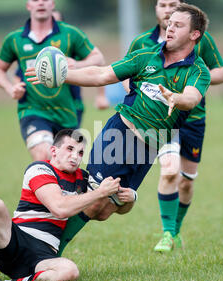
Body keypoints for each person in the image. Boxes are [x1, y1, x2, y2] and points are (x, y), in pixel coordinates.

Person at [27, 3, 211, 255]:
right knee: (95, 201)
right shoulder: (145, 56)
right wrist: (63, 75)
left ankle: (69, 196)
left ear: (194, 35)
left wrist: (176, 99)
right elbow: (101, 74)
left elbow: (191, 98)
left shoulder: (198, 70)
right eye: (169, 24)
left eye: (178, 25)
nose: (169, 28)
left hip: (151, 147)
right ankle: (46, 251)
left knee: (107, 209)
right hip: (120, 134)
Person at [0, 129, 125, 281]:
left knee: (70, 271)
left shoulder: (82, 179)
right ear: (53, 151)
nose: (75, 156)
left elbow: (111, 210)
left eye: (80, 152)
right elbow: (59, 208)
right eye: (69, 149)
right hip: (13, 241)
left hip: (43, 254)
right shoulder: (39, 169)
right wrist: (100, 192)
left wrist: (131, 197)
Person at [126, 0, 223, 252]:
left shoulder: (200, 40)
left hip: (192, 117)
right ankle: (167, 234)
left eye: (173, 4)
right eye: (162, 4)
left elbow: (222, 73)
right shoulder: (141, 43)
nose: (167, 9)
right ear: (156, 9)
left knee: (186, 181)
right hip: (160, 120)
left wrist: (189, 80)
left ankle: (176, 229)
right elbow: (126, 74)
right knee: (169, 170)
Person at [0, 0, 105, 161]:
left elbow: (98, 57)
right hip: (33, 110)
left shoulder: (70, 34)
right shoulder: (15, 39)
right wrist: (10, 88)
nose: (41, 3)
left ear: (53, 3)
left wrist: (77, 63)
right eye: (36, 0)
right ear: (28, 5)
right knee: (44, 155)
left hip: (67, 113)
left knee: (66, 165)